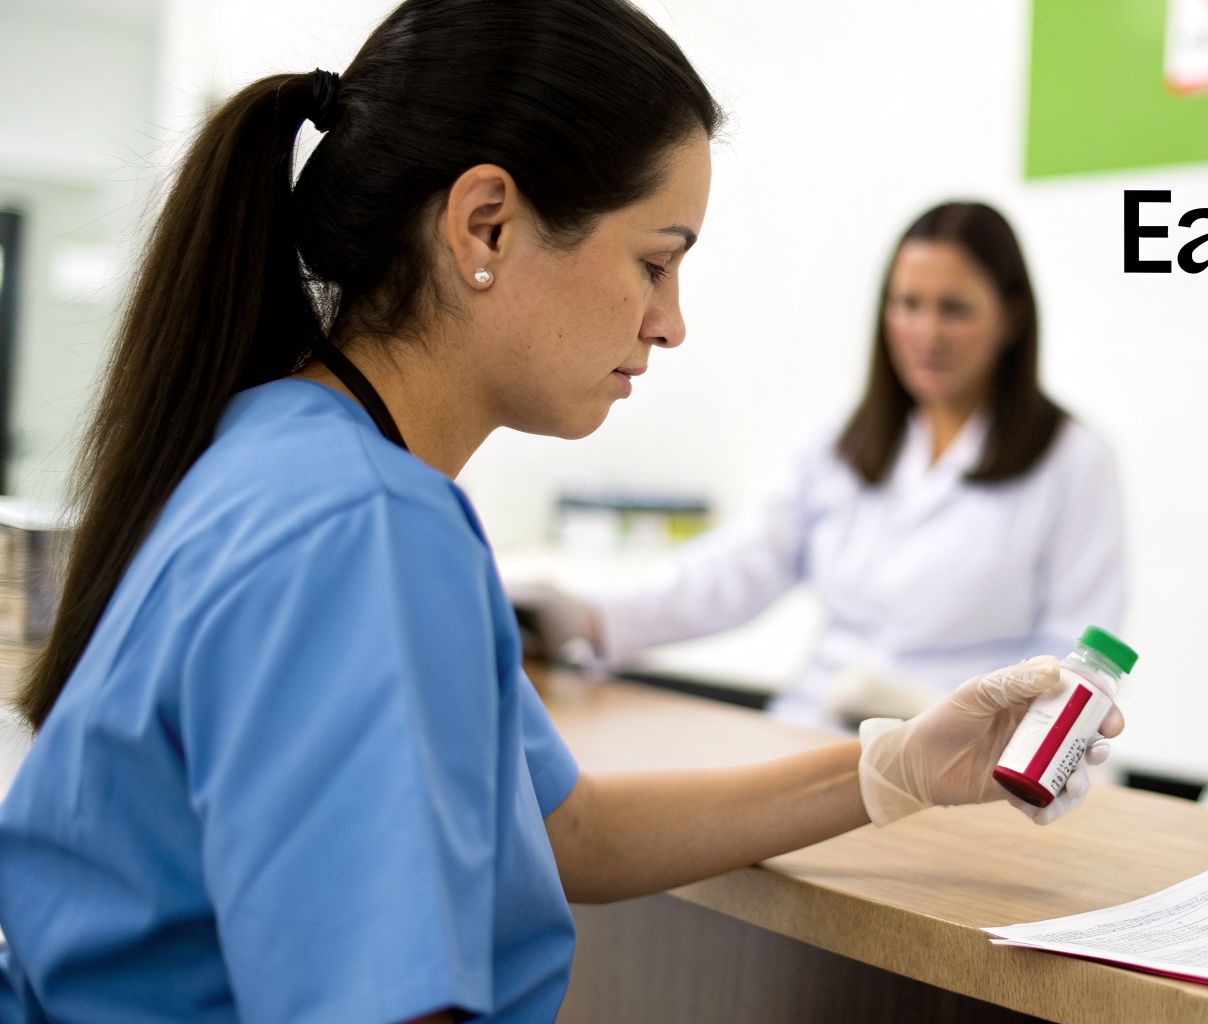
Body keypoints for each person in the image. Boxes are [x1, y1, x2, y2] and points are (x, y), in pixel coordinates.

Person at [0, 2, 1123, 1020]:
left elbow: (558, 831)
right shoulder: (367, 527)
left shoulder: (290, 448)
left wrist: (892, 769)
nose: (670, 322)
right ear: (484, 226)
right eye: (654, 261)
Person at [518, 202, 1126, 729]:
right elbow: (738, 570)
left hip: (969, 764)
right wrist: (589, 618)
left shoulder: (1072, 460)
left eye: (955, 309)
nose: (926, 332)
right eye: (908, 304)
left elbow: (1075, 659)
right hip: (818, 734)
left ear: (1012, 318)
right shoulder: (844, 442)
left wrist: (966, 724)